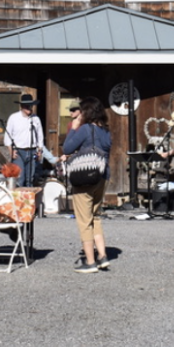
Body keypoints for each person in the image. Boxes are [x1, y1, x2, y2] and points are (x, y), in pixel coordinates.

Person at [60, 96, 111, 273]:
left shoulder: (85, 129)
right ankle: (102, 255)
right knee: (95, 216)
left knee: (84, 220)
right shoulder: (105, 131)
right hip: (102, 176)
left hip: (85, 178)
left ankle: (90, 262)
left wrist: (74, 128)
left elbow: (66, 148)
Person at [4, 94, 43, 187]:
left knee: (30, 178)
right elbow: (7, 137)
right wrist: (11, 151)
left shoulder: (36, 119)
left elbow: (40, 136)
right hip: (19, 151)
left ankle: (29, 200)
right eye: (27, 106)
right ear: (21, 106)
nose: (29, 108)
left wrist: (40, 150)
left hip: (32, 150)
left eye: (30, 106)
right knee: (19, 178)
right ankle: (18, 201)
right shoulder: (13, 118)